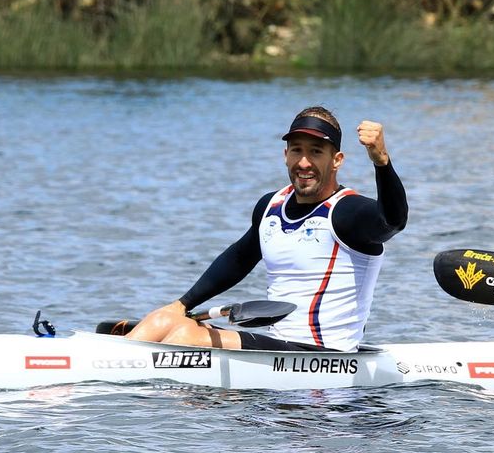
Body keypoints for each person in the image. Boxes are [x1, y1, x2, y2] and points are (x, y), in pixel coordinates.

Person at [126, 106, 408, 352]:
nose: (304, 162)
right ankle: (107, 367)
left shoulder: (347, 212)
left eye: (316, 152)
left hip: (325, 356)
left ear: (337, 160)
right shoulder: (271, 205)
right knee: (165, 319)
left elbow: (393, 221)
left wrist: (381, 162)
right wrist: (182, 304)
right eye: (296, 150)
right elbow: (239, 258)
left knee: (187, 336)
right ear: (285, 155)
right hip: (278, 352)